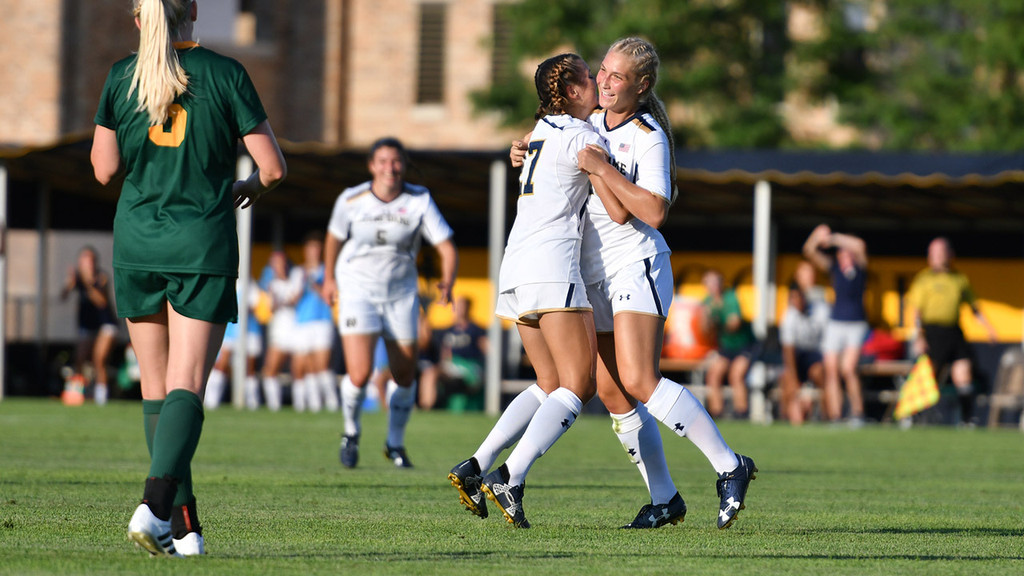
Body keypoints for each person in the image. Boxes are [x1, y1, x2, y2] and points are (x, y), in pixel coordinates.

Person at [454, 42, 755, 530]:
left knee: (638, 380)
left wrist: (601, 169)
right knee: (615, 396)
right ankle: (664, 499)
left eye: (619, 77)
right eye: (604, 72)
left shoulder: (648, 135)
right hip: (592, 274)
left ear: (642, 86)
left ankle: (728, 465)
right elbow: (560, 148)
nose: (608, 82)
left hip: (635, 263)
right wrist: (522, 147)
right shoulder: (589, 122)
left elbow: (653, 211)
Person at [91, 0, 285, 557]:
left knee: (157, 392)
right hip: (199, 243)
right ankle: (153, 509)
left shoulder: (121, 75)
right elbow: (271, 168)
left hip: (135, 242)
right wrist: (247, 186)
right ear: (194, 10)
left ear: (138, 19)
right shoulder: (225, 73)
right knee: (186, 386)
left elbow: (104, 169)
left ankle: (185, 529)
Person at [448, 53, 601, 528]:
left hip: (516, 266)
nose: (598, 84)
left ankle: (475, 465)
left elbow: (538, 150)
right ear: (573, 91)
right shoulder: (583, 135)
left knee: (549, 384)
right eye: (591, 78)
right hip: (553, 263)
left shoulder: (537, 134)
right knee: (580, 385)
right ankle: (510, 476)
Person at [322, 137, 458, 469]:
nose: (390, 168)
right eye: (382, 161)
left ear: (404, 165)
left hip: (400, 294)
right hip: (358, 291)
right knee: (360, 371)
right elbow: (334, 238)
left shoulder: (419, 199)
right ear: (372, 166)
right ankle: (351, 432)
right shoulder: (351, 199)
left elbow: (446, 245)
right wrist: (329, 279)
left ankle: (394, 443)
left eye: (396, 161)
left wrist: (448, 280)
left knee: (405, 374)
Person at [907, 237, 997, 425]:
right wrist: (919, 335)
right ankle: (915, 417)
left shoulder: (959, 279)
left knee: (963, 374)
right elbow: (916, 311)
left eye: (940, 253)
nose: (937, 257)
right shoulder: (924, 279)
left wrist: (989, 329)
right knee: (928, 377)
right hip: (932, 332)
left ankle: (966, 420)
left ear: (950, 254)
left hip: (954, 332)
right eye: (933, 253)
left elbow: (974, 308)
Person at [803, 224, 869, 426]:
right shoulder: (834, 269)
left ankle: (858, 413)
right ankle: (836, 415)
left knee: (848, 369)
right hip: (836, 323)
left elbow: (860, 245)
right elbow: (809, 251)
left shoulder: (860, 268)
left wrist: (833, 238)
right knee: (831, 370)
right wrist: (816, 236)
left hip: (856, 324)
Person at [60, 246, 119, 406]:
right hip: (87, 324)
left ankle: (101, 397)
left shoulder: (101, 277)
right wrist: (69, 283)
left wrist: (88, 284)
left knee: (99, 359)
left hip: (106, 324)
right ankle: (78, 393)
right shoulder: (77, 279)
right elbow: (63, 296)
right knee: (79, 358)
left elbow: (101, 302)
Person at [292, 232, 338, 413]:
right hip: (302, 322)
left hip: (322, 321)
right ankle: (312, 405)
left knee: (321, 365)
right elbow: (294, 300)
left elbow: (331, 298)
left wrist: (317, 286)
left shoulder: (327, 272)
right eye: (310, 248)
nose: (313, 252)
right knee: (304, 366)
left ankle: (332, 401)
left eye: (317, 249)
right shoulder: (298, 272)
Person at [700, 268, 755, 419]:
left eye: (715, 282)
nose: (712, 286)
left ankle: (741, 412)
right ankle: (717, 413)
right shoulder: (707, 302)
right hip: (726, 347)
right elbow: (705, 331)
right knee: (713, 375)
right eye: (709, 283)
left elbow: (734, 324)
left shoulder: (730, 297)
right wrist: (707, 319)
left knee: (736, 375)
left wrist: (717, 316)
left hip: (744, 345)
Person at [203, 278, 264, 410]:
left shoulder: (251, 285)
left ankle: (253, 402)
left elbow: (256, 307)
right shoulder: (227, 282)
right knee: (221, 365)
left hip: (248, 332)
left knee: (249, 369)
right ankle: (211, 401)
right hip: (230, 331)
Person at [259, 249, 304, 411]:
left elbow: (295, 299)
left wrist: (282, 301)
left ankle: (303, 407)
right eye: (275, 263)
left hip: (297, 330)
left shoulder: (296, 276)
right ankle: (274, 407)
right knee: (270, 370)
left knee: (299, 371)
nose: (279, 265)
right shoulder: (270, 283)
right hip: (279, 331)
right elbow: (270, 307)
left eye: (281, 261)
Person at [778, 282, 829, 425]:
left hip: (815, 353)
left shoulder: (820, 311)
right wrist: (794, 378)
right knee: (787, 380)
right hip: (797, 356)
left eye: (798, 297)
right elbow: (788, 350)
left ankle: (827, 416)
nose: (796, 302)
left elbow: (827, 341)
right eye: (792, 298)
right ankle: (785, 417)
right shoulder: (788, 316)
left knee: (821, 374)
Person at [434, 296, 488, 411]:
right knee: (431, 373)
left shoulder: (475, 330)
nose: (458, 310)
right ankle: (428, 407)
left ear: (468, 308)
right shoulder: (449, 330)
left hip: (470, 365)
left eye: (462, 306)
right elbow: (445, 352)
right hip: (452, 365)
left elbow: (487, 350)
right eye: (457, 306)